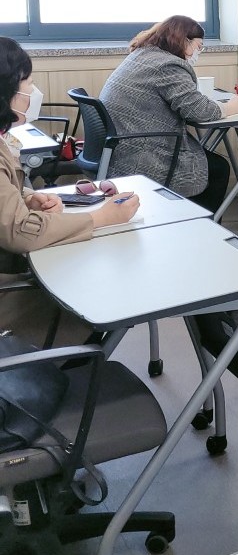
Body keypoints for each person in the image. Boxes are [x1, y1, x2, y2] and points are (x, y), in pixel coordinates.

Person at [0, 37, 140, 347]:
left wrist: (26, 197)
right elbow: (21, 231)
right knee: (102, 291)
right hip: (8, 290)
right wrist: (102, 217)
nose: (32, 94)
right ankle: (66, 374)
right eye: (27, 84)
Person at [100, 15, 238, 211]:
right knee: (218, 169)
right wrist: (234, 107)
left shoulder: (142, 55)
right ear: (184, 41)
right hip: (143, 153)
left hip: (119, 147)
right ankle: (198, 229)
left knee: (210, 162)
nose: (199, 52)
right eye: (199, 46)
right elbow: (199, 111)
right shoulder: (168, 65)